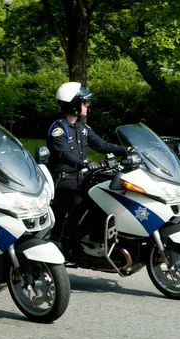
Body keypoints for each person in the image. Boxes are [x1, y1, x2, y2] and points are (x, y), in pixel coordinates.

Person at [46, 82, 128, 258]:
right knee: (80, 206)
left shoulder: (82, 127)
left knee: (105, 198)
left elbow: (103, 146)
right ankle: (65, 242)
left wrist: (130, 150)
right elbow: (63, 154)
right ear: (73, 103)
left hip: (81, 178)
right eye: (84, 102)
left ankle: (97, 240)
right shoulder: (59, 129)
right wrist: (84, 164)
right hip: (63, 179)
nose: (87, 105)